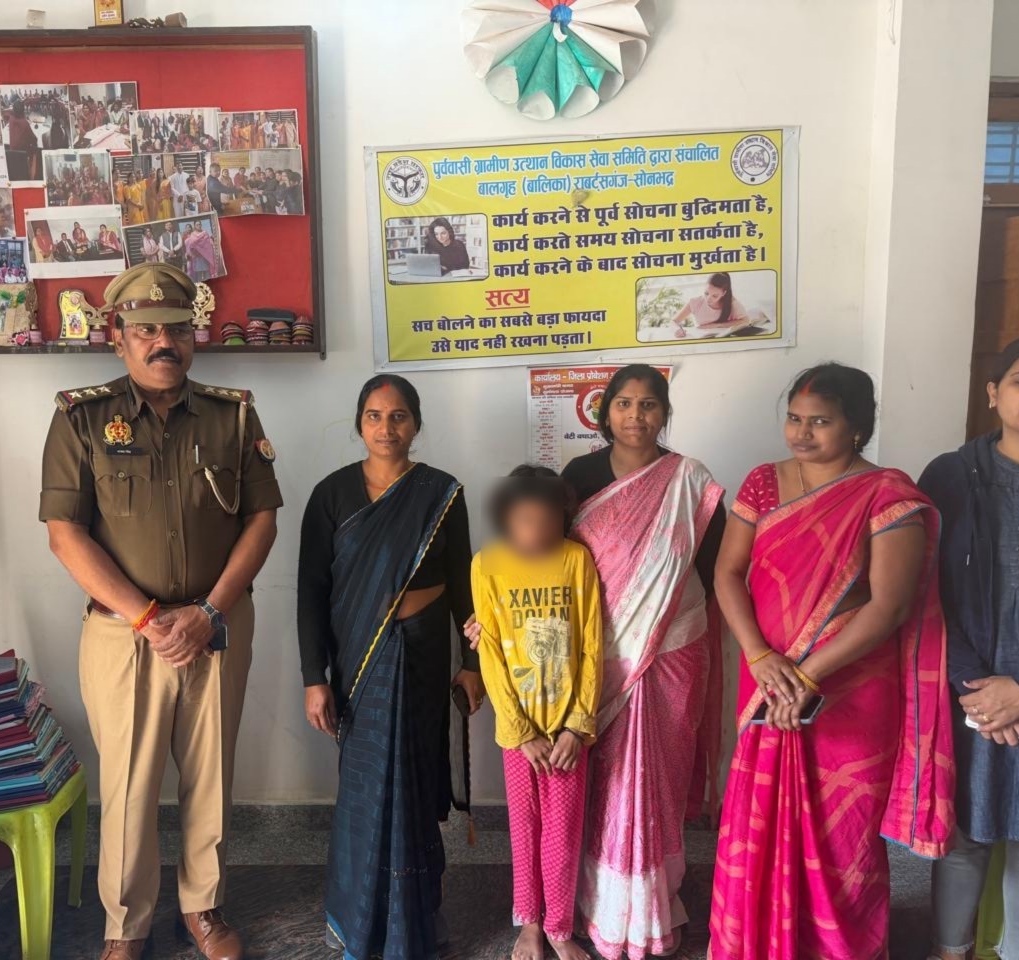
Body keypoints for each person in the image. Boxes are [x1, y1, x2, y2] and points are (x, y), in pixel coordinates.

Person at [39, 262, 282, 960]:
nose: (162, 342)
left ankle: (202, 908)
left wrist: (208, 611)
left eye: (175, 328)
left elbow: (262, 520)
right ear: (119, 337)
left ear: (193, 336)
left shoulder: (233, 415)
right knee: (129, 784)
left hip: (217, 625)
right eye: (145, 329)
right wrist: (148, 619)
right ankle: (126, 926)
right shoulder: (81, 418)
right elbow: (65, 534)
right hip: (125, 635)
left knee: (212, 775)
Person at [709, 363, 955, 960]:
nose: (802, 432)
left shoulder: (887, 494)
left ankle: (839, 947)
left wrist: (806, 675)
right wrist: (760, 656)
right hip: (766, 677)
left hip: (850, 687)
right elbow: (727, 573)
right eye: (794, 418)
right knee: (759, 813)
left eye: (820, 421)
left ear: (857, 426)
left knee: (843, 830)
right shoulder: (763, 482)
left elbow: (890, 607)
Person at [297, 374, 484, 960]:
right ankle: (363, 918)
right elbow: (311, 592)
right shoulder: (331, 495)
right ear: (360, 423)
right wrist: (314, 678)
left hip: (425, 652)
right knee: (367, 783)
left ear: (416, 424)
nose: (386, 428)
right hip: (359, 658)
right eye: (374, 416)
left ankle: (419, 913)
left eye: (398, 416)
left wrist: (472, 662)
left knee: (416, 775)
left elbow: (463, 581)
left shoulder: (442, 492)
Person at [552, 364, 725, 958]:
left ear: (665, 412)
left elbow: (714, 569)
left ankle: (655, 900)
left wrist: (659, 619)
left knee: (662, 777)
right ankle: (599, 900)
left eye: (648, 404)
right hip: (601, 654)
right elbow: (546, 555)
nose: (636, 416)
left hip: (675, 649)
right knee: (603, 780)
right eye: (624, 404)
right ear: (605, 413)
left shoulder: (690, 480)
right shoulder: (578, 477)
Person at [923, 332, 1019, 960]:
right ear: (993, 393)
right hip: (968, 690)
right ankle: (949, 951)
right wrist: (976, 687)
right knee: (962, 834)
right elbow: (922, 589)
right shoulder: (949, 476)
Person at [470, 465, 602, 960]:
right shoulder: (487, 564)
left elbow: (592, 645)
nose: (535, 532)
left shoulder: (576, 560)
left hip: (568, 729)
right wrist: (520, 730)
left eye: (546, 521)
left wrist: (577, 726)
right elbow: (489, 652)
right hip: (518, 732)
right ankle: (528, 923)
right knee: (524, 830)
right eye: (524, 521)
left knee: (563, 832)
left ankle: (559, 926)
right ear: (506, 518)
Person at [672, 272, 750, 339]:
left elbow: (746, 321)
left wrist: (716, 325)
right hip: (701, 339)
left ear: (724, 293)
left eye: (715, 296)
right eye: (706, 293)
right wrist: (677, 329)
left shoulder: (732, 303)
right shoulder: (695, 302)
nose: (708, 299)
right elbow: (674, 321)